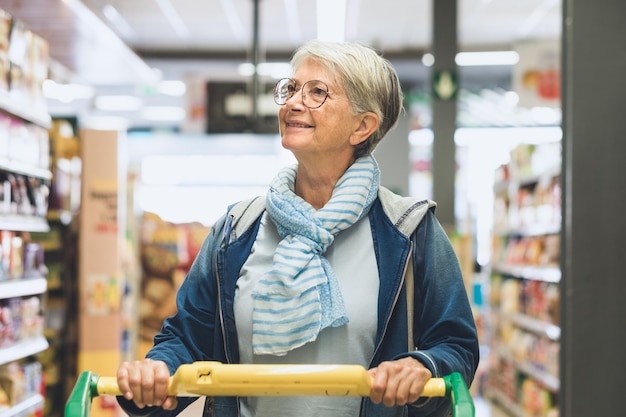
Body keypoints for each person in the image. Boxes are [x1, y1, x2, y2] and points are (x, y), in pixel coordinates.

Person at [116, 40, 479, 417]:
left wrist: (422, 366)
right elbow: (186, 340)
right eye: (290, 88)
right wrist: (156, 372)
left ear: (362, 126)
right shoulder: (236, 231)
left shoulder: (409, 231)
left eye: (317, 92)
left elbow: (456, 345)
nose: (292, 102)